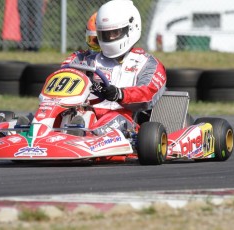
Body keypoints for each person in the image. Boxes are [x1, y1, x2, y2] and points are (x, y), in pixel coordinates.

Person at [64, 0, 167, 135]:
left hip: (122, 118)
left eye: (115, 32)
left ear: (131, 29)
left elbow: (147, 93)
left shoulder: (147, 63)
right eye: (105, 34)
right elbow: (64, 75)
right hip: (85, 112)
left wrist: (120, 94)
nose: (110, 37)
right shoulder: (86, 59)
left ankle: (82, 136)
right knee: (66, 114)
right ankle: (39, 131)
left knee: (110, 119)